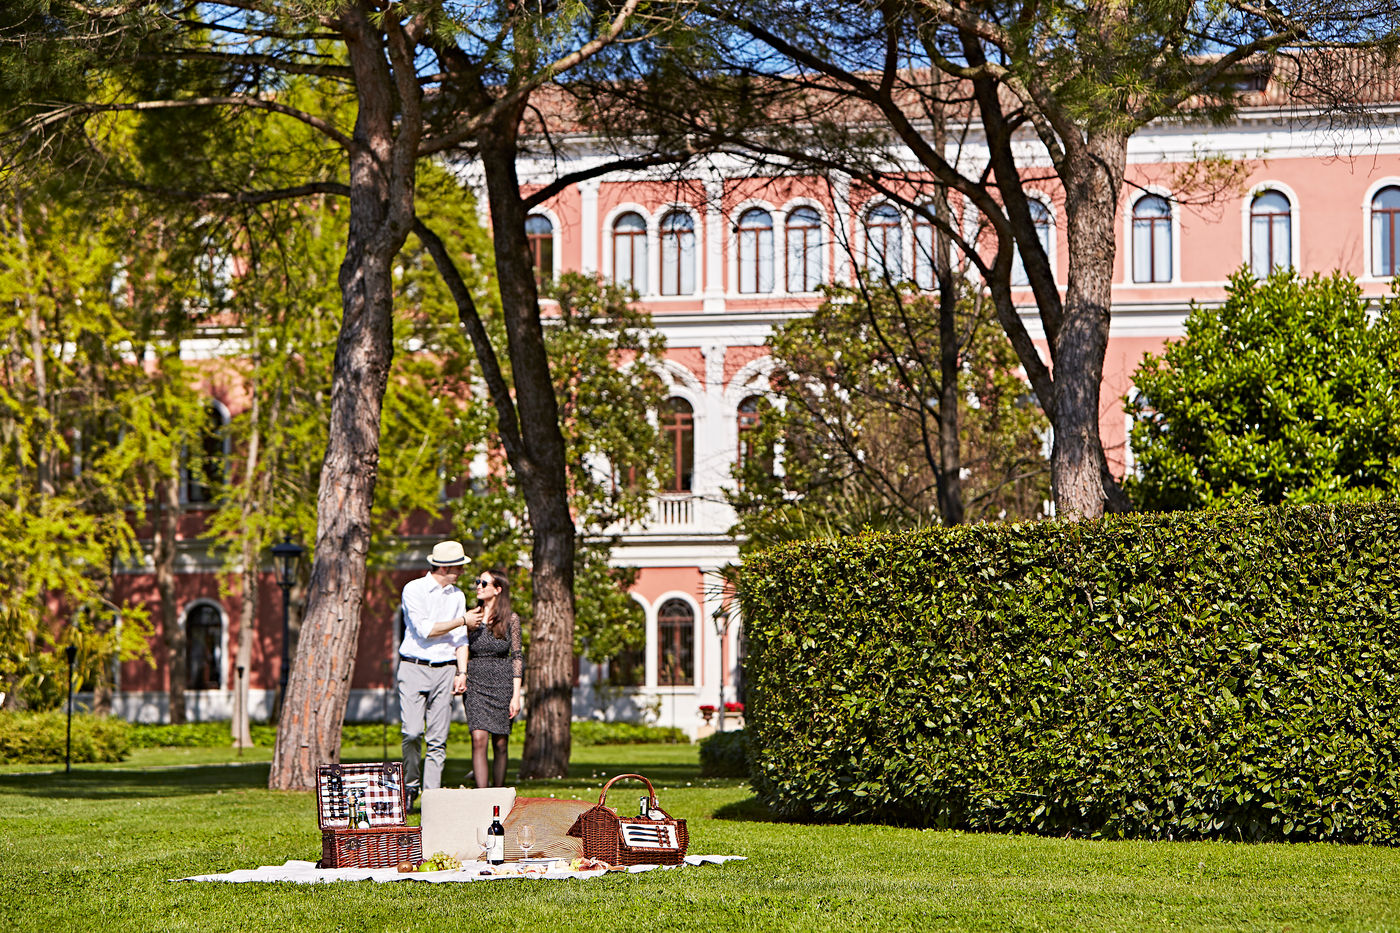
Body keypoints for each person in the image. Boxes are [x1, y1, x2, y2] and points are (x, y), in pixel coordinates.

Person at [398, 540, 481, 805]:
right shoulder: (414, 589)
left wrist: (462, 672)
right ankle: (410, 785)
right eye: (459, 567)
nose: (463, 571)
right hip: (413, 666)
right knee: (412, 732)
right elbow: (425, 630)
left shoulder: (457, 596)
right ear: (445, 567)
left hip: (446, 669)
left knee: (438, 740)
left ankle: (431, 800)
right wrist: (463, 620)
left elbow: (460, 639)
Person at [454, 568, 523, 788]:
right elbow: (461, 646)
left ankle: (499, 794)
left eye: (484, 583)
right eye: (478, 582)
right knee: (478, 738)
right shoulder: (471, 617)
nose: (478, 586)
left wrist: (516, 695)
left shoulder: (511, 619)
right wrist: (461, 673)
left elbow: (517, 657)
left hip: (502, 683)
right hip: (475, 682)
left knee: (500, 743)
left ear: (498, 589)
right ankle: (482, 795)